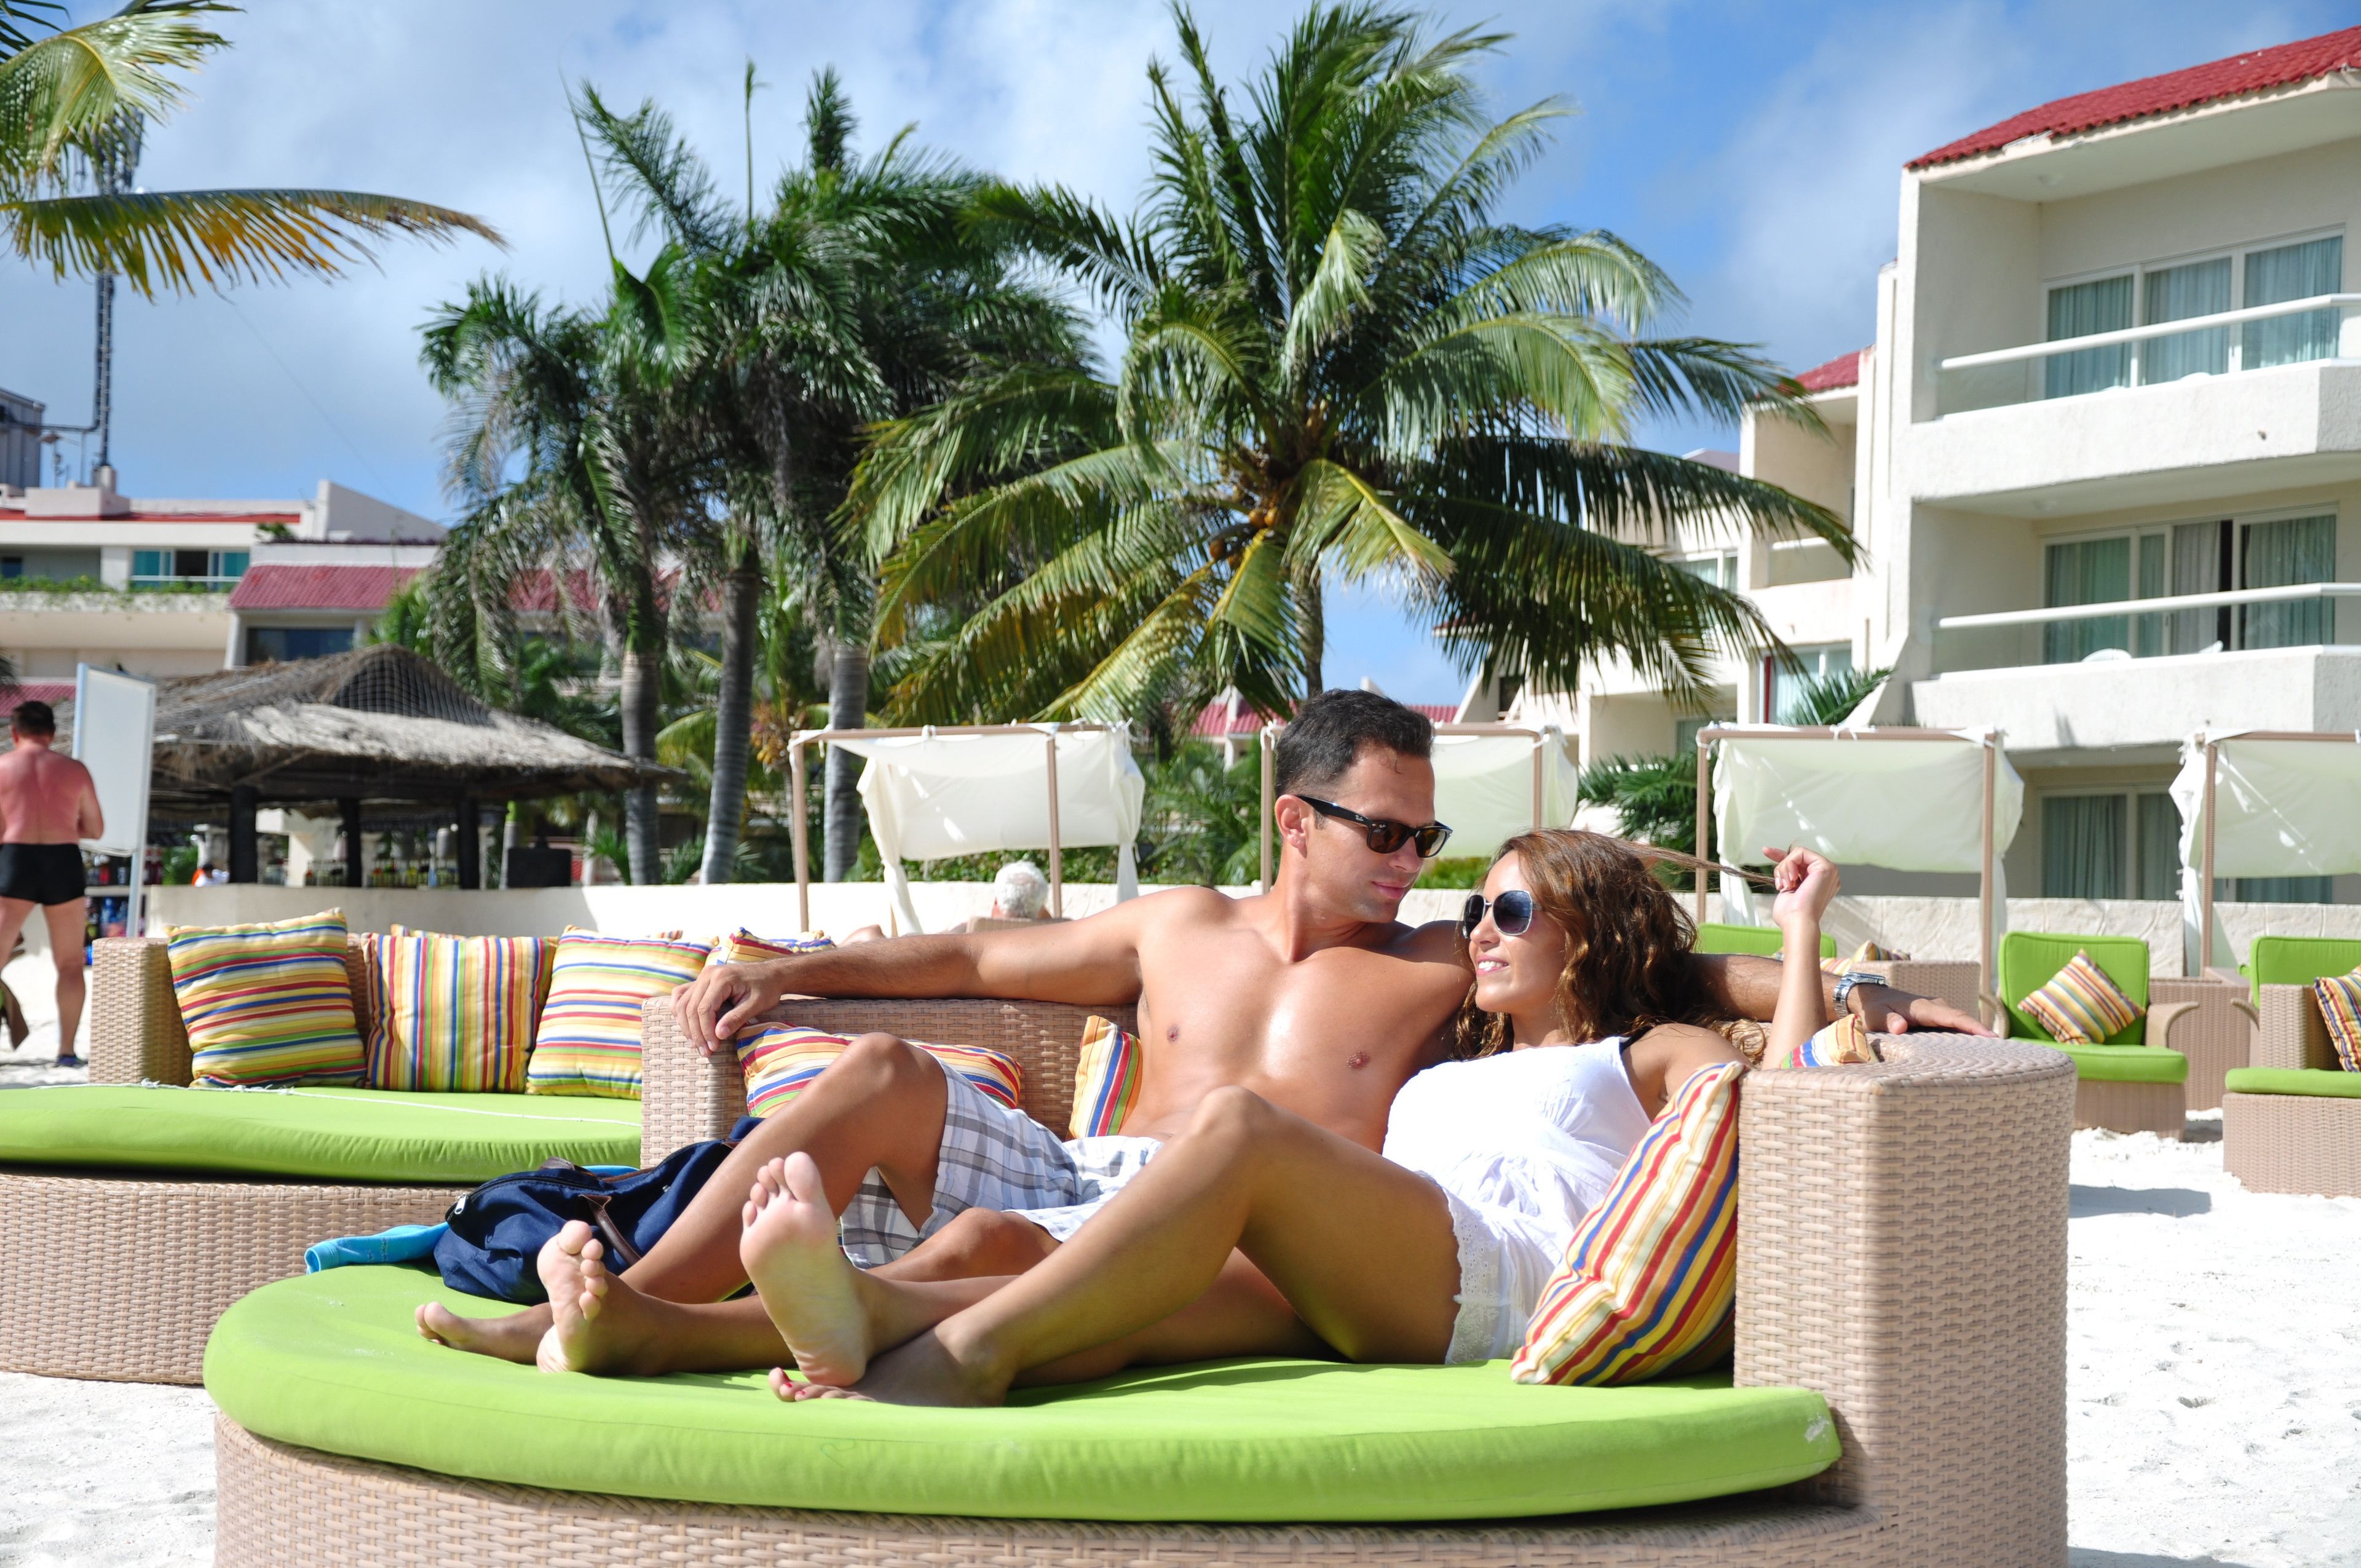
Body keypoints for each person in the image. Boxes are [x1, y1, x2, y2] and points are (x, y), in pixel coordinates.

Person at [419, 690, 1983, 1372]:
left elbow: (1665, 969)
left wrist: (1856, 987)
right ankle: (580, 1312)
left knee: (978, 1237)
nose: (1412, 864)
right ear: (1294, 815)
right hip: (1085, 1158)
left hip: (1245, 1224)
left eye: (1428, 840)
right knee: (882, 1076)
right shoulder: (1171, 923)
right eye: (1385, 831)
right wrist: (799, 963)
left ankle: (651, 1334)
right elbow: (975, 943)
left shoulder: (1446, 962)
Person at [732, 830, 1837, 1405]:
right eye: (1472, 911)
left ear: (1587, 933)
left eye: (1507, 911)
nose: (1478, 934)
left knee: (1242, 1130)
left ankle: (966, 1357)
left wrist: (1802, 937)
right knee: (1032, 1264)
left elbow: (1797, 1094)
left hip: (1496, 1278)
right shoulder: (1463, 1043)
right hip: (1380, 1275)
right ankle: (821, 1325)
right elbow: (981, 951)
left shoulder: (1643, 1056)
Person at [0, 701, 103, 1067]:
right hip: (62, 860)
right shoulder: (74, 770)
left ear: (15, 733)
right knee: (71, 963)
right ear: (53, 734)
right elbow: (95, 829)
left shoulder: (3, 767)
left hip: (16, 860)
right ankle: (67, 1052)